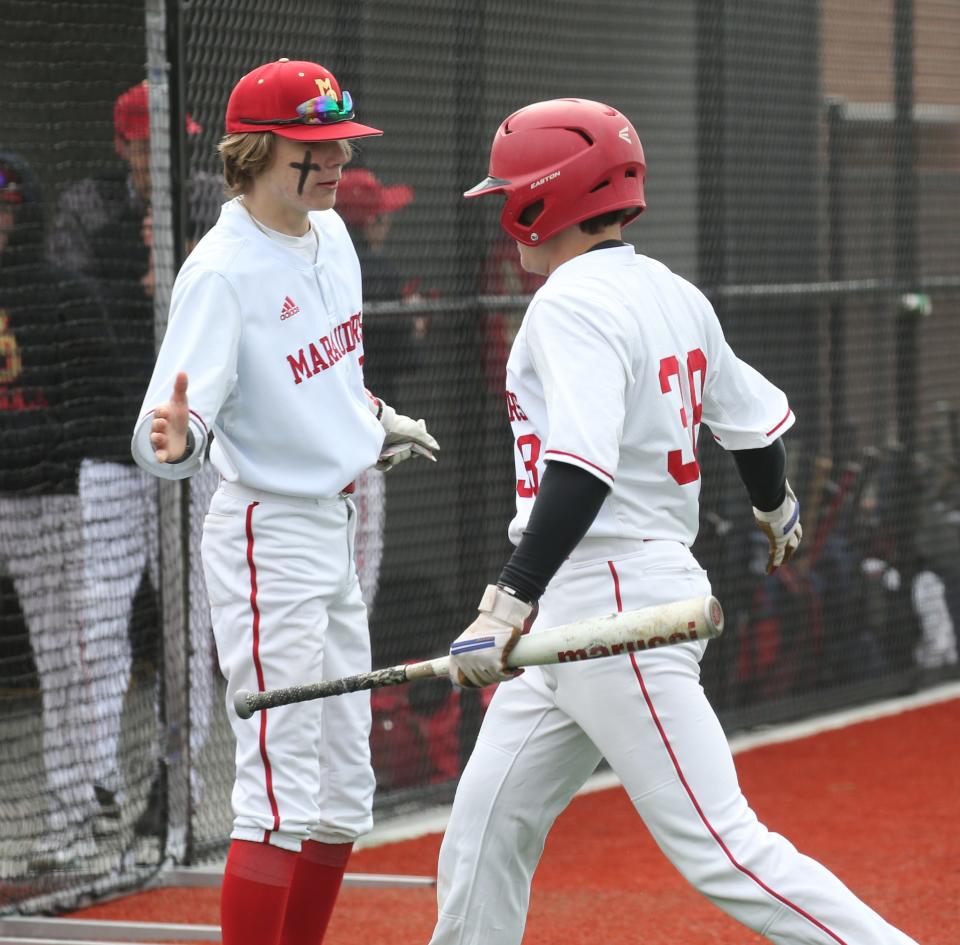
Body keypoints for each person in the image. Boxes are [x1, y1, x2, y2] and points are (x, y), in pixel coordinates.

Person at [429, 99, 920, 945]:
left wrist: (504, 603)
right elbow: (754, 425)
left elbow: (581, 468)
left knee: (724, 849)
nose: (503, 207)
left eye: (509, 191)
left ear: (544, 198)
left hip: (609, 596)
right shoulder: (670, 289)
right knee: (485, 830)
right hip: (595, 593)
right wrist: (777, 508)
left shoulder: (569, 304)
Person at [130, 58, 439, 945]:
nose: (339, 156)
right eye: (316, 144)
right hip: (268, 531)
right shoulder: (223, 271)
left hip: (335, 520)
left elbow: (330, 376)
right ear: (258, 152)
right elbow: (167, 426)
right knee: (277, 788)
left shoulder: (330, 232)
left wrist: (375, 419)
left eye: (340, 139)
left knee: (344, 795)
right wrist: (177, 440)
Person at [47, 80, 221, 849]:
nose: (164, 156)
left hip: (197, 441)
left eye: (171, 141)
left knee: (194, 623)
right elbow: (69, 302)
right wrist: (144, 279)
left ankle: (173, 785)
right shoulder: (87, 207)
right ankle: (86, 792)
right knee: (96, 622)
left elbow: (235, 280)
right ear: (123, 145)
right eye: (147, 143)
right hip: (112, 443)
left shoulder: (212, 193)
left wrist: (180, 277)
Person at [0, 152, 115, 869]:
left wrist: (41, 447)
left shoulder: (64, 292)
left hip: (50, 500)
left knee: (61, 658)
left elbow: (99, 399)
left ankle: (73, 809)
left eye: (7, 205)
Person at [335, 167, 417, 616]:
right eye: (381, 216)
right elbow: (409, 356)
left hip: (323, 441)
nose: (388, 223)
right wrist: (415, 326)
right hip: (366, 436)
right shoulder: (378, 271)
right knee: (360, 576)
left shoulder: (324, 265)